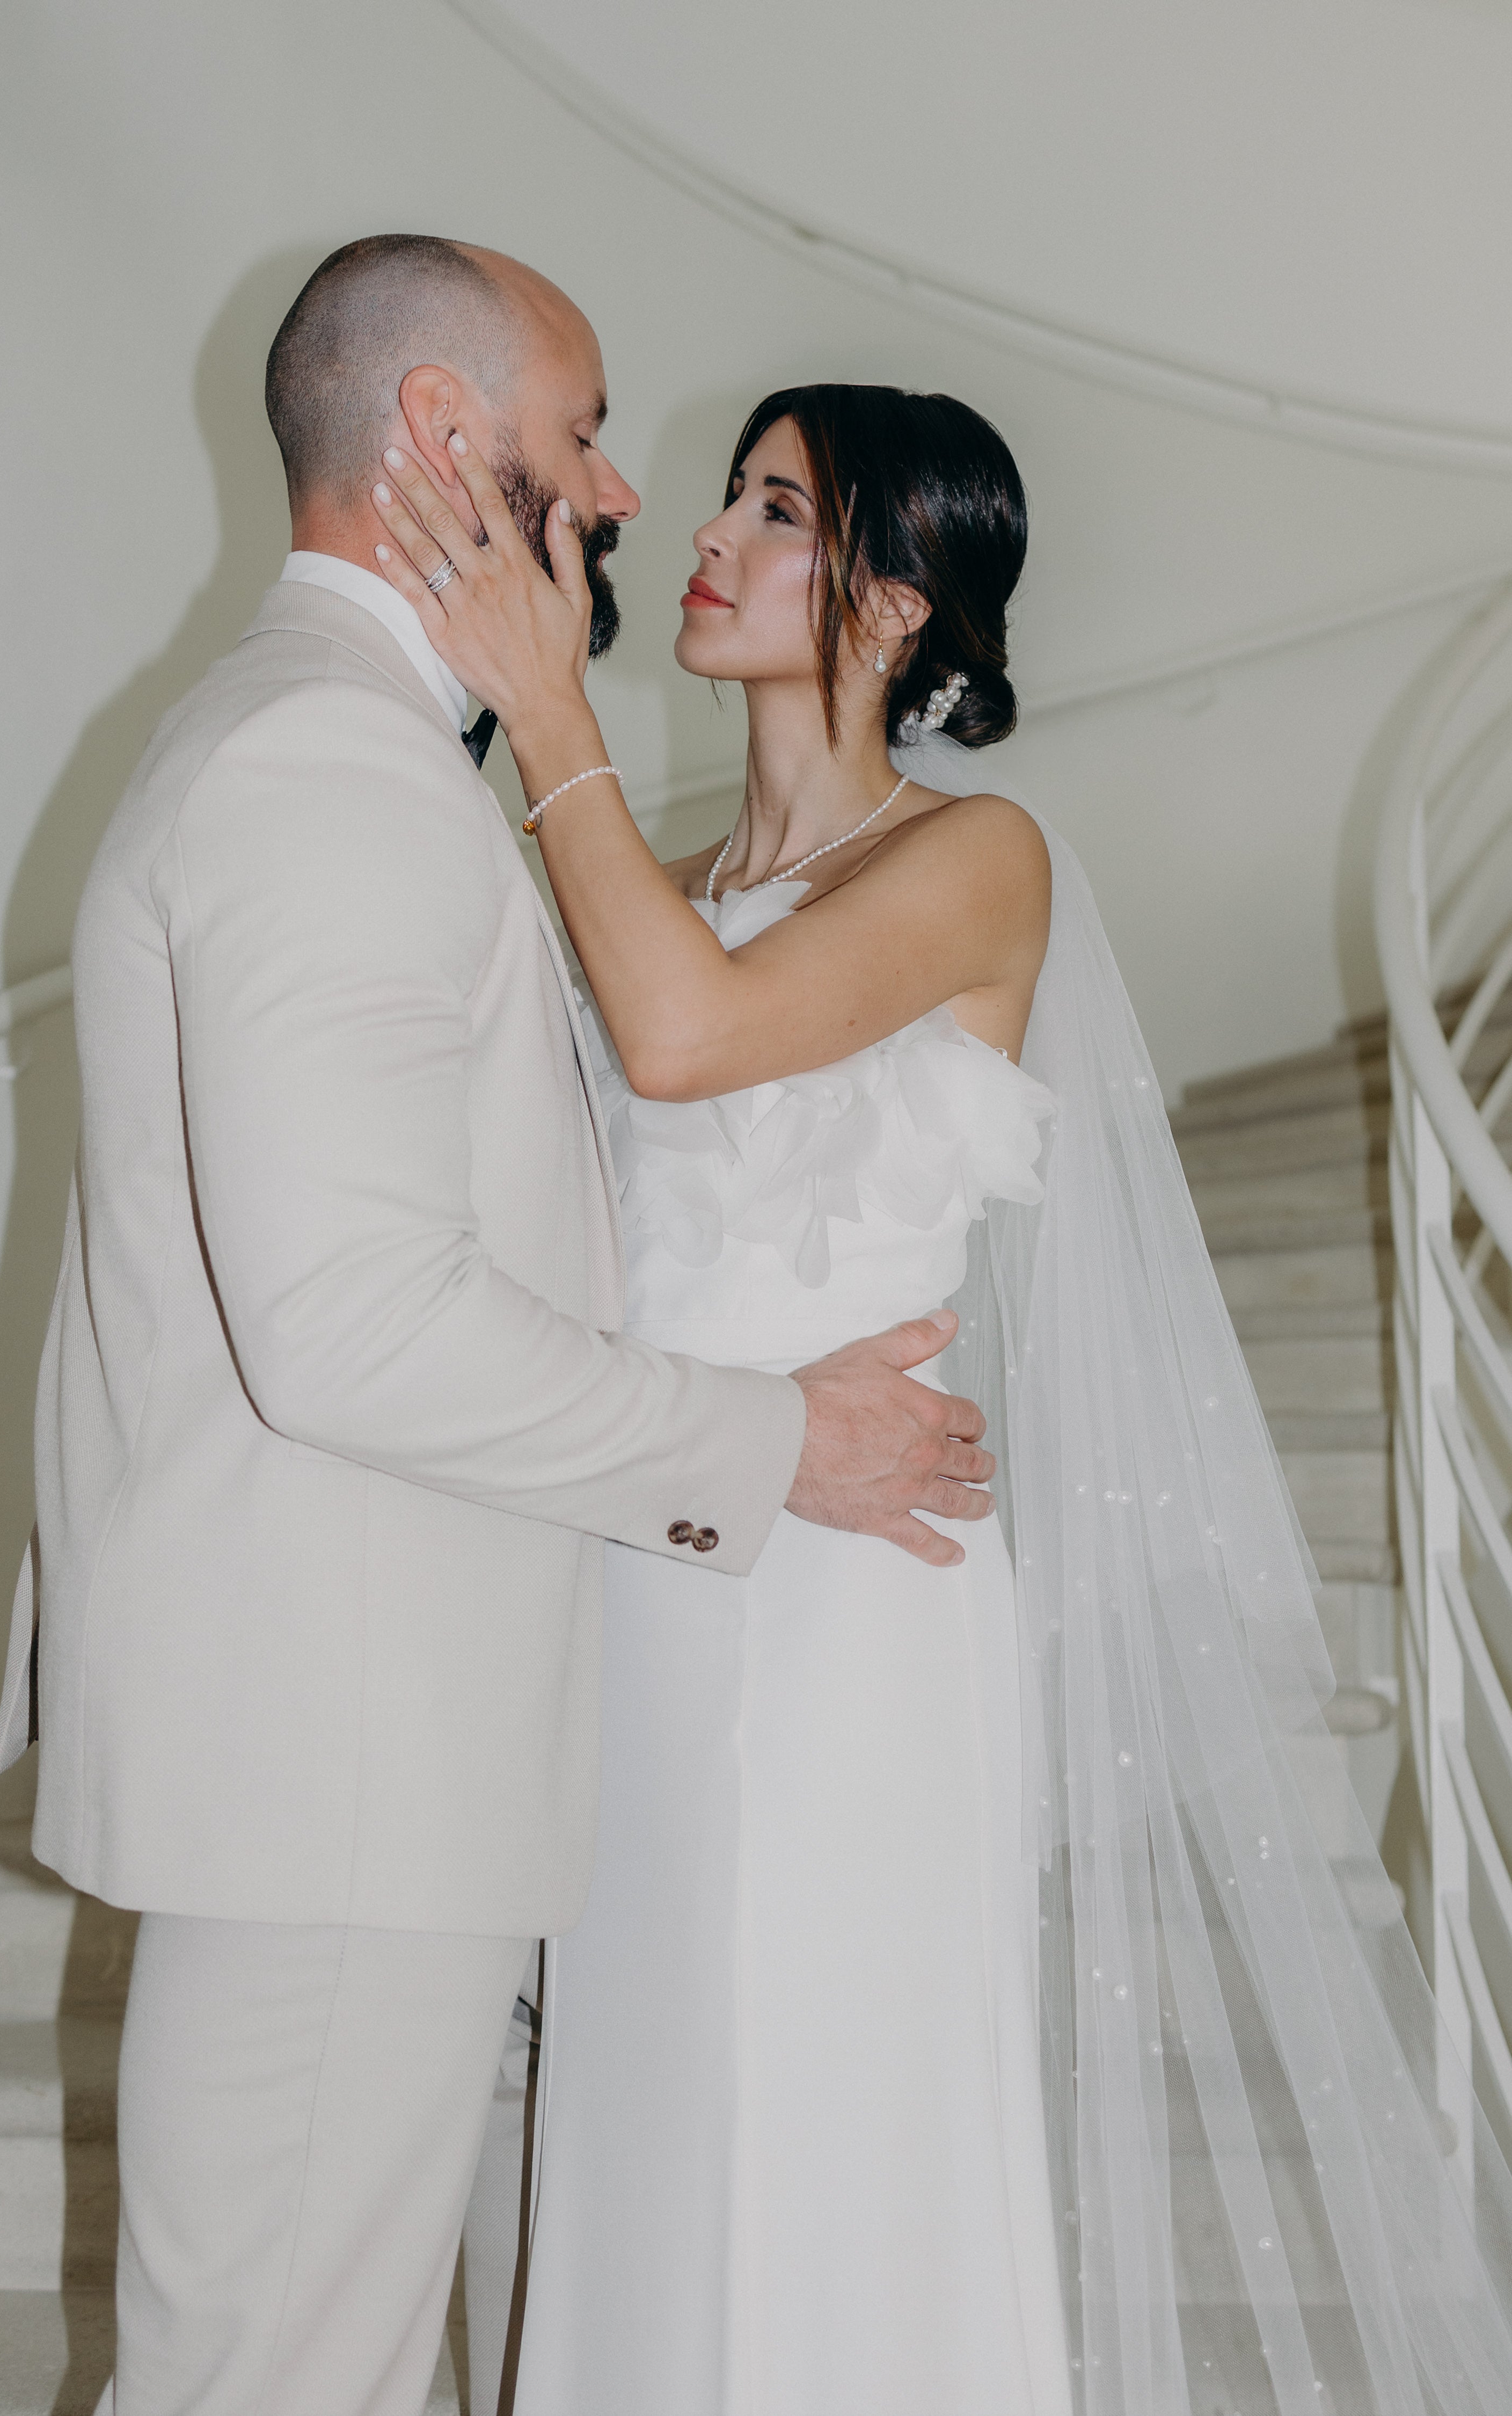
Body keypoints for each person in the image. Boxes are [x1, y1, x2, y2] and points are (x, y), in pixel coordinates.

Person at [372, 383, 1512, 2413]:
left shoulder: (982, 860)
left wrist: (552, 718)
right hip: (661, 1571)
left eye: (779, 509)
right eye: (727, 495)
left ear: (895, 601)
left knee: (830, 2124)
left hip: (857, 1609)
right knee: (650, 2111)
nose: (711, 535)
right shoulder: (667, 868)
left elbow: (686, 1036)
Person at [0, 243, 1003, 2416]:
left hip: (494, 1701)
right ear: (446, 450)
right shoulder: (334, 774)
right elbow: (356, 1324)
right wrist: (770, 1448)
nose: (633, 496)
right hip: (363, 1744)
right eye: (587, 437)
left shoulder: (340, 753)